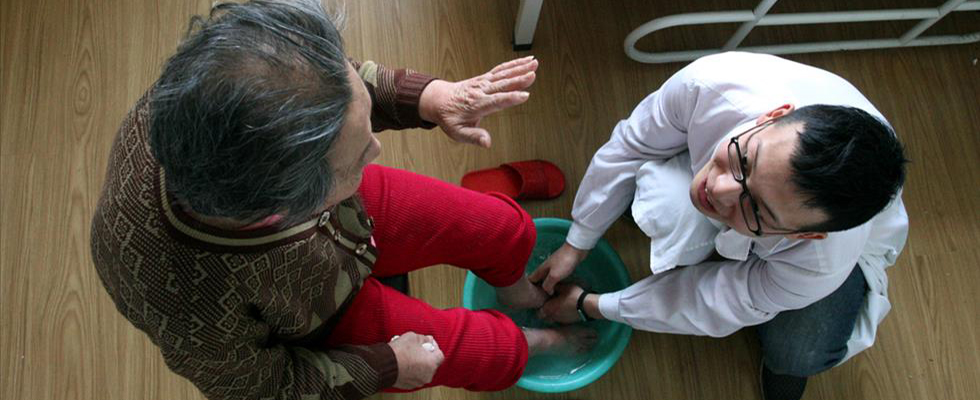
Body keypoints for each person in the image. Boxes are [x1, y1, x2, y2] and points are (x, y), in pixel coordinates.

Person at [90, 1, 595, 399]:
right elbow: (267, 390)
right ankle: (531, 342)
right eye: (357, 158)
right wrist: (385, 366)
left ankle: (517, 294)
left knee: (506, 229)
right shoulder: (186, 305)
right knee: (489, 351)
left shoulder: (207, 82)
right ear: (287, 211)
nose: (376, 150)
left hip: (340, 219)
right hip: (312, 309)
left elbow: (319, 80)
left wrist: (427, 98)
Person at [532, 52, 908, 400]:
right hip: (733, 152)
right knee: (659, 202)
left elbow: (719, 301)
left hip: (844, 257)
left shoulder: (819, 262)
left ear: (803, 234)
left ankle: (785, 351)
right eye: (745, 161)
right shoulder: (711, 86)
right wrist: (577, 242)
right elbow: (632, 147)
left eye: (756, 209)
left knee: (798, 352)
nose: (718, 189)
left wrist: (592, 305)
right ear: (772, 116)